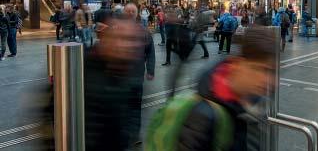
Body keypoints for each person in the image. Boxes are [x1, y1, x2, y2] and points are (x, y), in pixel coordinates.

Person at [146, 27, 275, 151]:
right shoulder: (204, 115)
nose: (266, 80)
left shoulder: (251, 103)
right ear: (237, 64)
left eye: (270, 71)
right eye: (258, 69)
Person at [85, 15, 155, 151]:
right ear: (107, 38)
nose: (129, 45)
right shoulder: (82, 70)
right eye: (123, 38)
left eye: (133, 40)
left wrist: (130, 137)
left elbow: (132, 112)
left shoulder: (129, 71)